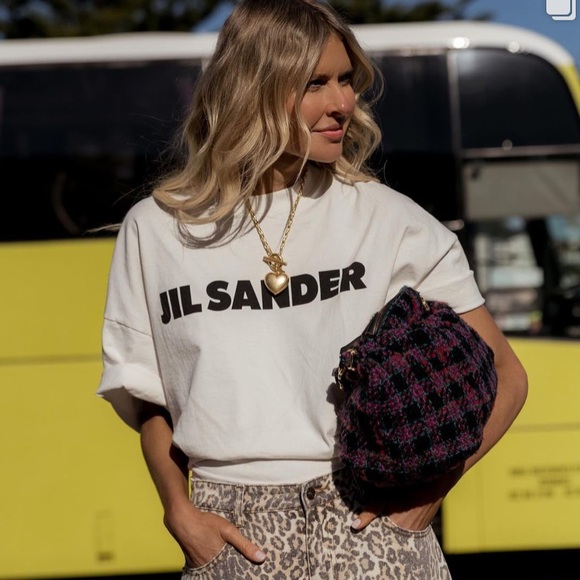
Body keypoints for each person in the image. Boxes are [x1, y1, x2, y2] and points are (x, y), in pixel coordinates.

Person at [96, 0, 528, 578]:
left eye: (346, 80)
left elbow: (506, 374)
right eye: (314, 84)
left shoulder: (390, 219)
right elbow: (149, 398)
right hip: (234, 533)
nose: (342, 103)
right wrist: (179, 511)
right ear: (253, 89)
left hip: (369, 523)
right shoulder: (156, 230)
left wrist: (425, 499)